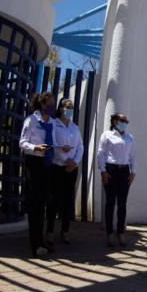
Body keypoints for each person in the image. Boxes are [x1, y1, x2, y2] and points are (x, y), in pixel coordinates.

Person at [19, 91, 57, 257]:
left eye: (53, 104)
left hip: (47, 163)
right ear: (42, 104)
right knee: (35, 204)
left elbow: (54, 141)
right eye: (49, 103)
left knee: (43, 204)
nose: (51, 107)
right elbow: (22, 143)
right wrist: (35, 147)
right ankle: (35, 244)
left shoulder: (53, 123)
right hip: (34, 162)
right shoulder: (32, 120)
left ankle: (41, 240)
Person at [47, 98, 84, 246]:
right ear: (61, 108)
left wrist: (74, 162)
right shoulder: (54, 124)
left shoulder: (74, 127)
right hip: (58, 167)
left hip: (72, 168)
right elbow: (53, 144)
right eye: (68, 107)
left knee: (68, 200)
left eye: (72, 107)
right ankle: (50, 231)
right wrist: (65, 160)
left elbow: (80, 146)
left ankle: (65, 230)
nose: (70, 110)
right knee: (55, 200)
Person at [97, 113, 136, 248]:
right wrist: (103, 170)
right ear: (115, 121)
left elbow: (132, 156)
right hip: (111, 170)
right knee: (110, 202)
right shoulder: (107, 135)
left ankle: (121, 232)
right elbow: (101, 153)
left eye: (126, 121)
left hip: (124, 171)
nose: (124, 123)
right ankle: (109, 233)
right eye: (122, 120)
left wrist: (133, 172)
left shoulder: (129, 137)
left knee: (122, 203)